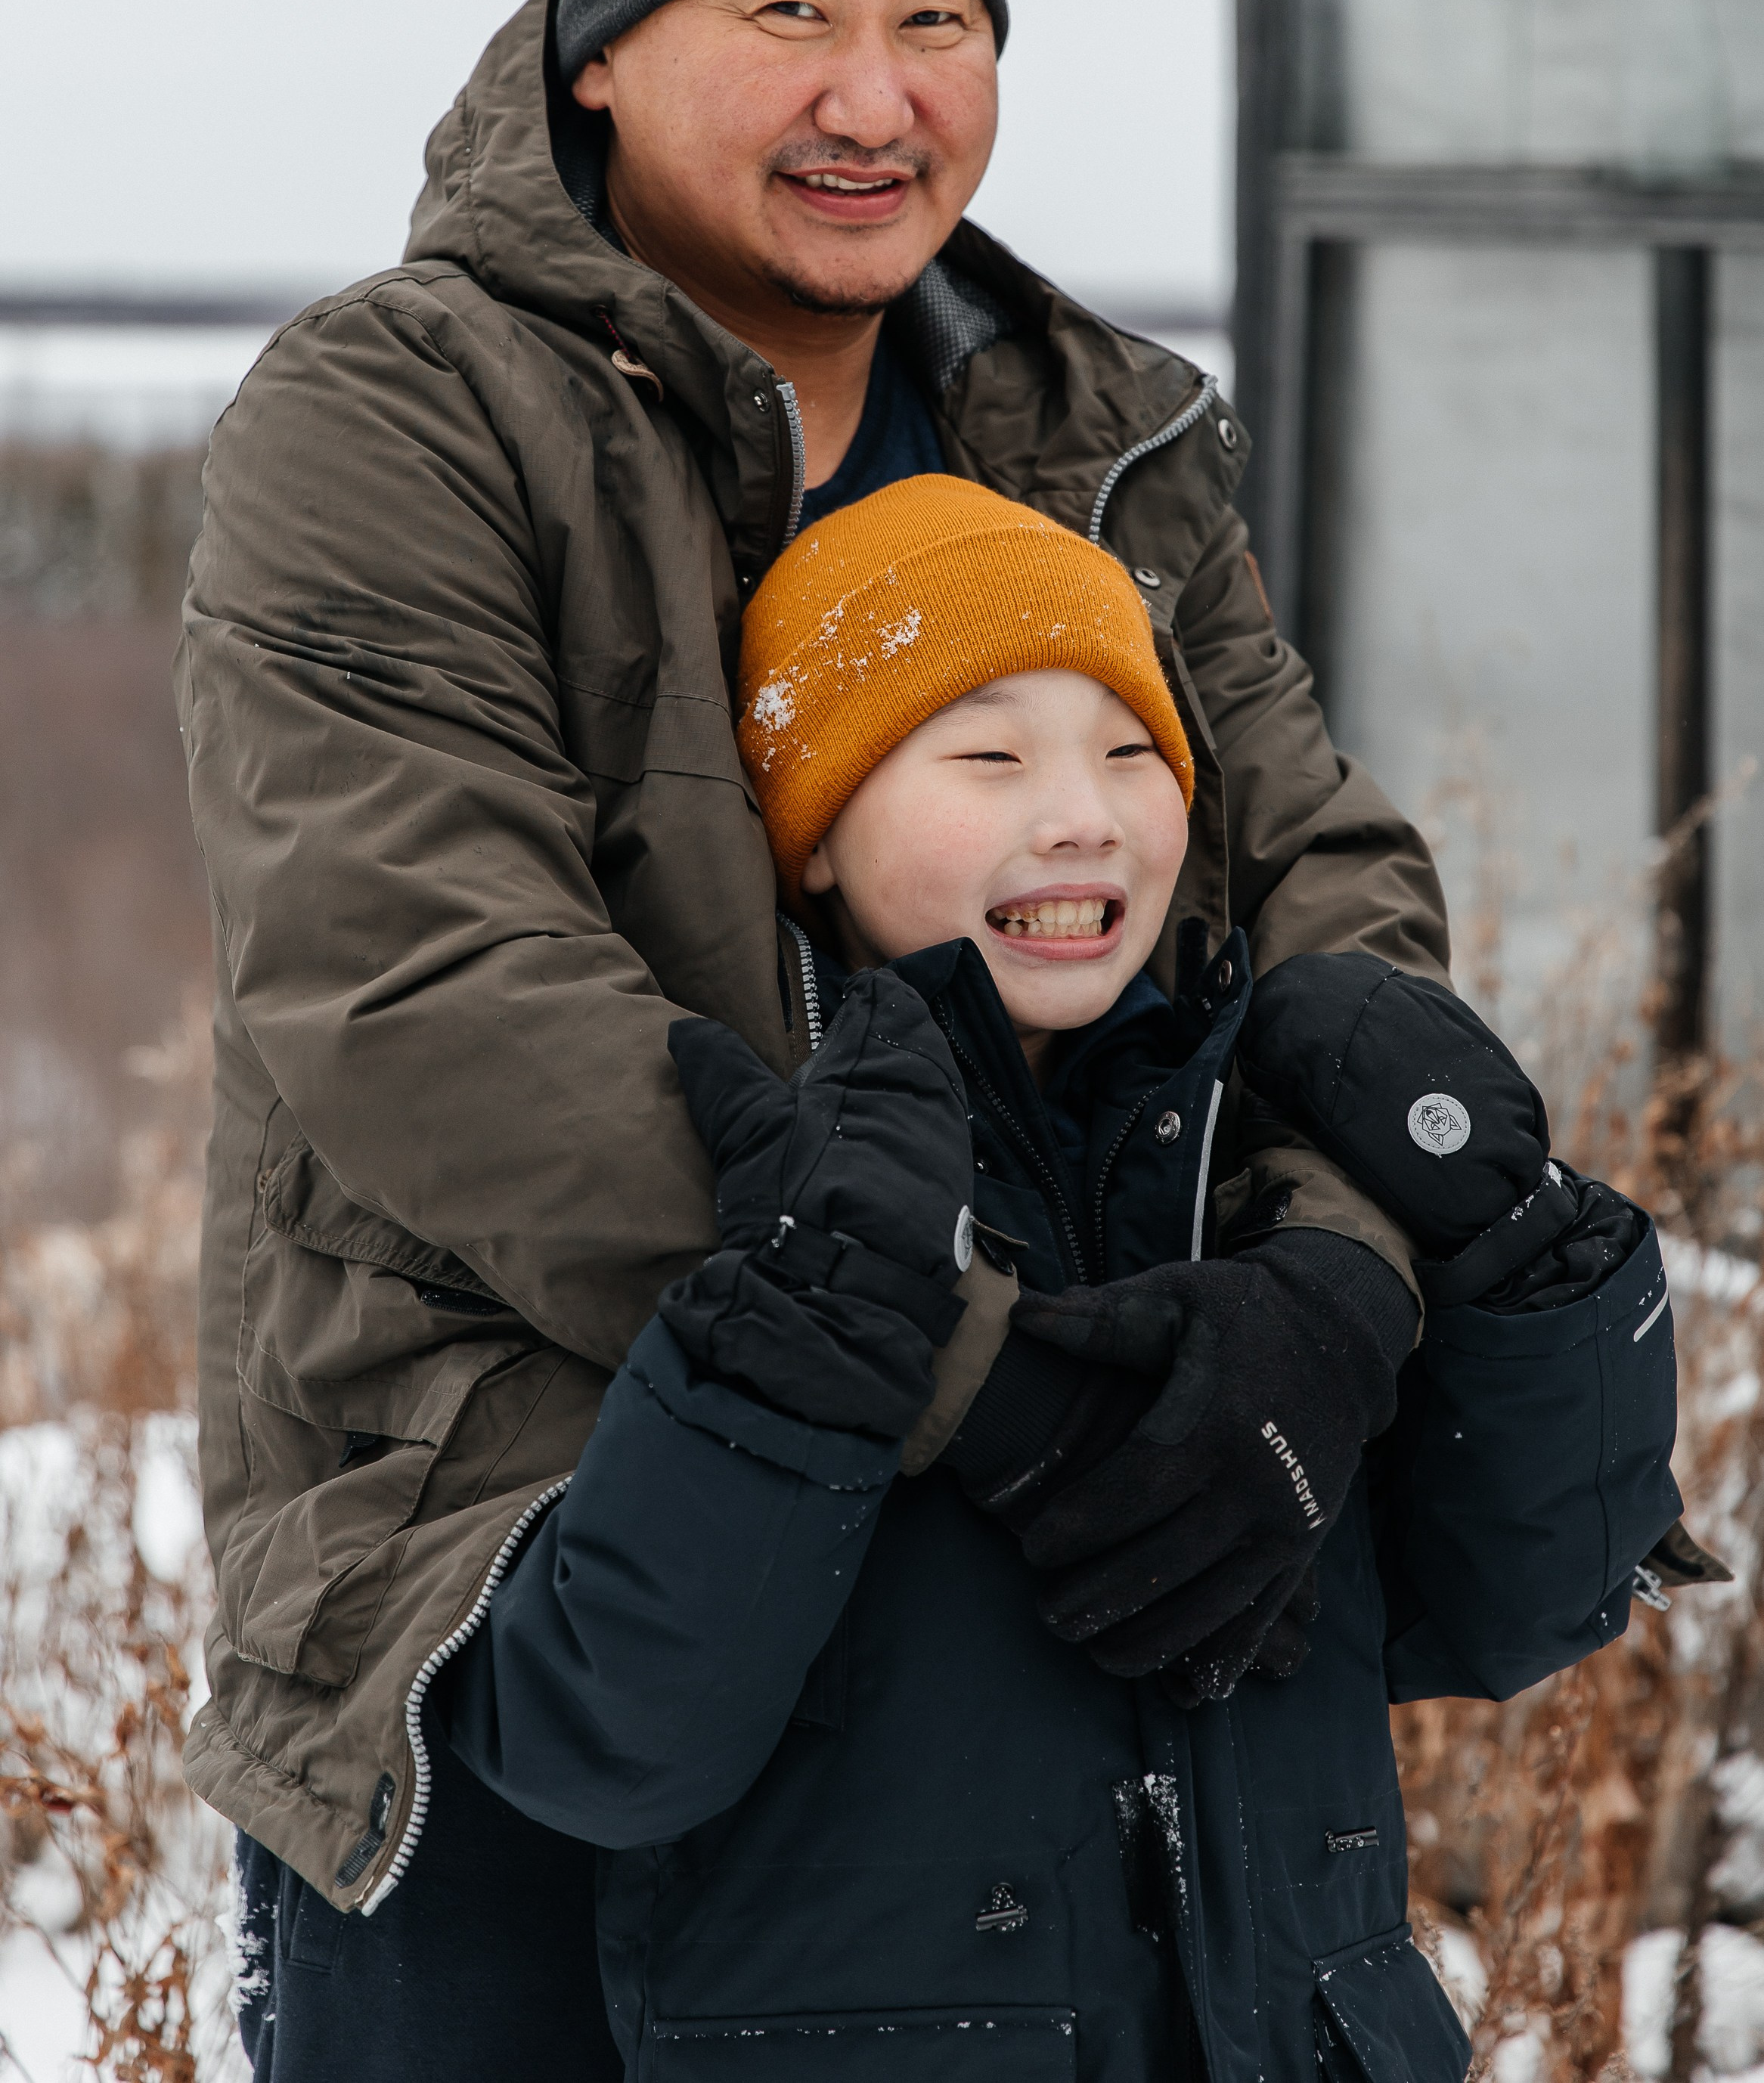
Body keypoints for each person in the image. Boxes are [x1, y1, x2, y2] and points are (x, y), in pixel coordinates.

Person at [181, 0, 1452, 2072]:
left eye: (938, 19)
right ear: (597, 48)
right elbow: (432, 994)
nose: (876, 99)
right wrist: (1011, 1394)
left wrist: (1327, 1293)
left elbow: (1332, 893)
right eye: (788, 13)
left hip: (1055, 1625)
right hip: (529, 1601)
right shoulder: (396, 415)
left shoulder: (1101, 444)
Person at [422, 476, 1681, 2083]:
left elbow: (1515, 1607)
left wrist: (1523, 1247)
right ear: (813, 828)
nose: (1082, 811)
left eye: (1132, 749)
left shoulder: (1256, 1179)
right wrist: (811, 1326)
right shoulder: (753, 1183)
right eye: (991, 753)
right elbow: (607, 1741)